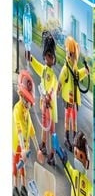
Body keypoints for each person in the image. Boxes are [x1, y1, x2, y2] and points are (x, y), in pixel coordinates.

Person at [12, 70, 44, 196]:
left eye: (30, 101)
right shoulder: (17, 110)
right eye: (27, 100)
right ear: (21, 95)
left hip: (24, 146)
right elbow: (19, 129)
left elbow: (32, 132)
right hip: (17, 145)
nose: (28, 105)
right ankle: (15, 186)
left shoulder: (27, 113)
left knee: (23, 167)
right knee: (16, 165)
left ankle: (24, 187)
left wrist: (38, 149)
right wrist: (23, 149)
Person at [30, 30, 58, 165]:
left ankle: (53, 153)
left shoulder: (52, 75)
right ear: (45, 56)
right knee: (44, 126)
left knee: (52, 130)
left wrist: (49, 95)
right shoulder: (44, 69)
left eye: (51, 56)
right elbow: (36, 65)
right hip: (44, 105)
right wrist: (30, 58)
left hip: (50, 107)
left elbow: (54, 85)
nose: (50, 58)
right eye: (48, 56)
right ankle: (43, 144)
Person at [58, 36, 89, 152]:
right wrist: (57, 91)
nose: (73, 56)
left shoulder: (74, 68)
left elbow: (78, 75)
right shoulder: (66, 69)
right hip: (68, 101)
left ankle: (75, 139)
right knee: (67, 120)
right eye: (72, 54)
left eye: (73, 54)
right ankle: (66, 139)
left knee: (74, 121)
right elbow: (60, 80)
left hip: (74, 101)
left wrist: (85, 71)